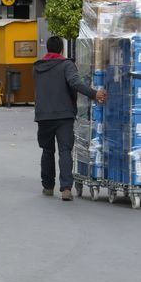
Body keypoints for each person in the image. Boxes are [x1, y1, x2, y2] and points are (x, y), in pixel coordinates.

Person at [34, 36, 106, 201]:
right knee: (65, 151)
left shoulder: (37, 67)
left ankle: (48, 186)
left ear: (47, 50)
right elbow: (75, 83)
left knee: (47, 150)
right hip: (64, 115)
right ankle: (66, 188)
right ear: (61, 50)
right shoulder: (66, 65)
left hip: (43, 116)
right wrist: (94, 94)